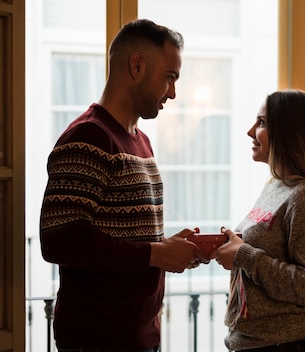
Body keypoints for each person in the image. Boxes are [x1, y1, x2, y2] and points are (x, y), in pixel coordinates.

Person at [39, 19, 207, 352]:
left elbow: (128, 240)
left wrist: (168, 248)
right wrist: (156, 252)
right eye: (169, 77)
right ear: (137, 65)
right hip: (97, 338)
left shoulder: (140, 140)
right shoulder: (88, 137)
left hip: (140, 335)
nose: (173, 92)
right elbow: (59, 240)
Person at [212, 89, 305, 352]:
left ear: (289, 133)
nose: (251, 131)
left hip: (287, 346)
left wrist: (244, 255)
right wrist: (229, 245)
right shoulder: (276, 186)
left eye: (262, 123)